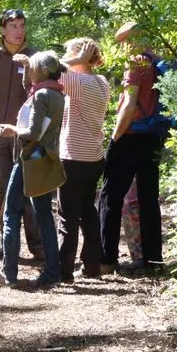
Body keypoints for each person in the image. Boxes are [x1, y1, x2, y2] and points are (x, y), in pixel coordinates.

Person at [0, 51, 65, 287]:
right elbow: (32, 89)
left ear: (40, 71)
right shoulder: (57, 94)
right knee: (44, 217)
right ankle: (52, 273)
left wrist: (12, 129)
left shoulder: (41, 96)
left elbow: (32, 132)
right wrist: (30, 65)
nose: (29, 72)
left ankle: (9, 273)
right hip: (45, 159)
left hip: (29, 159)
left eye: (32, 69)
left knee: (11, 213)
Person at [0, 9, 44, 261]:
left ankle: (39, 249)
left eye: (22, 25)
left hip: (27, 134)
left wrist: (31, 69)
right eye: (13, 25)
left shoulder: (35, 57)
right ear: (2, 29)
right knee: (4, 188)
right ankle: (8, 244)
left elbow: (46, 89)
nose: (18, 30)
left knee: (30, 189)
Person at [98, 22, 165, 272]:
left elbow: (129, 104)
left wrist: (115, 138)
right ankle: (152, 260)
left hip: (130, 135)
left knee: (109, 196)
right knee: (149, 199)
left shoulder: (137, 63)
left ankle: (106, 259)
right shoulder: (158, 62)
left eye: (124, 41)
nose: (123, 47)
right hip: (153, 136)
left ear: (134, 39)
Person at [56, 38, 111, 282]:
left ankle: (63, 270)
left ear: (79, 55)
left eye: (70, 53)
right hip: (94, 156)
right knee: (88, 211)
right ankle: (91, 266)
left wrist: (76, 60)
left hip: (73, 157)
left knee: (68, 214)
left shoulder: (77, 81)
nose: (66, 57)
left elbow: (49, 67)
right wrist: (80, 59)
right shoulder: (101, 82)